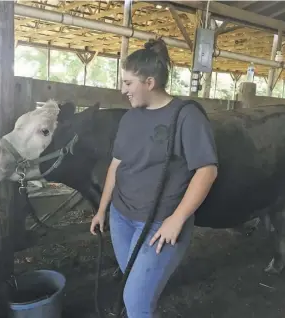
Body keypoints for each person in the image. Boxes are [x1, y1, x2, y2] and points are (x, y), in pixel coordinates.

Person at [90, 37, 219, 318]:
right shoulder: (130, 118)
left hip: (159, 224)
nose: (123, 90)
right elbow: (116, 165)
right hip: (121, 217)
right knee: (135, 289)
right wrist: (102, 210)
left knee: (134, 300)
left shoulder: (187, 116)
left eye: (128, 83)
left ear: (149, 83)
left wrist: (177, 219)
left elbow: (207, 171)